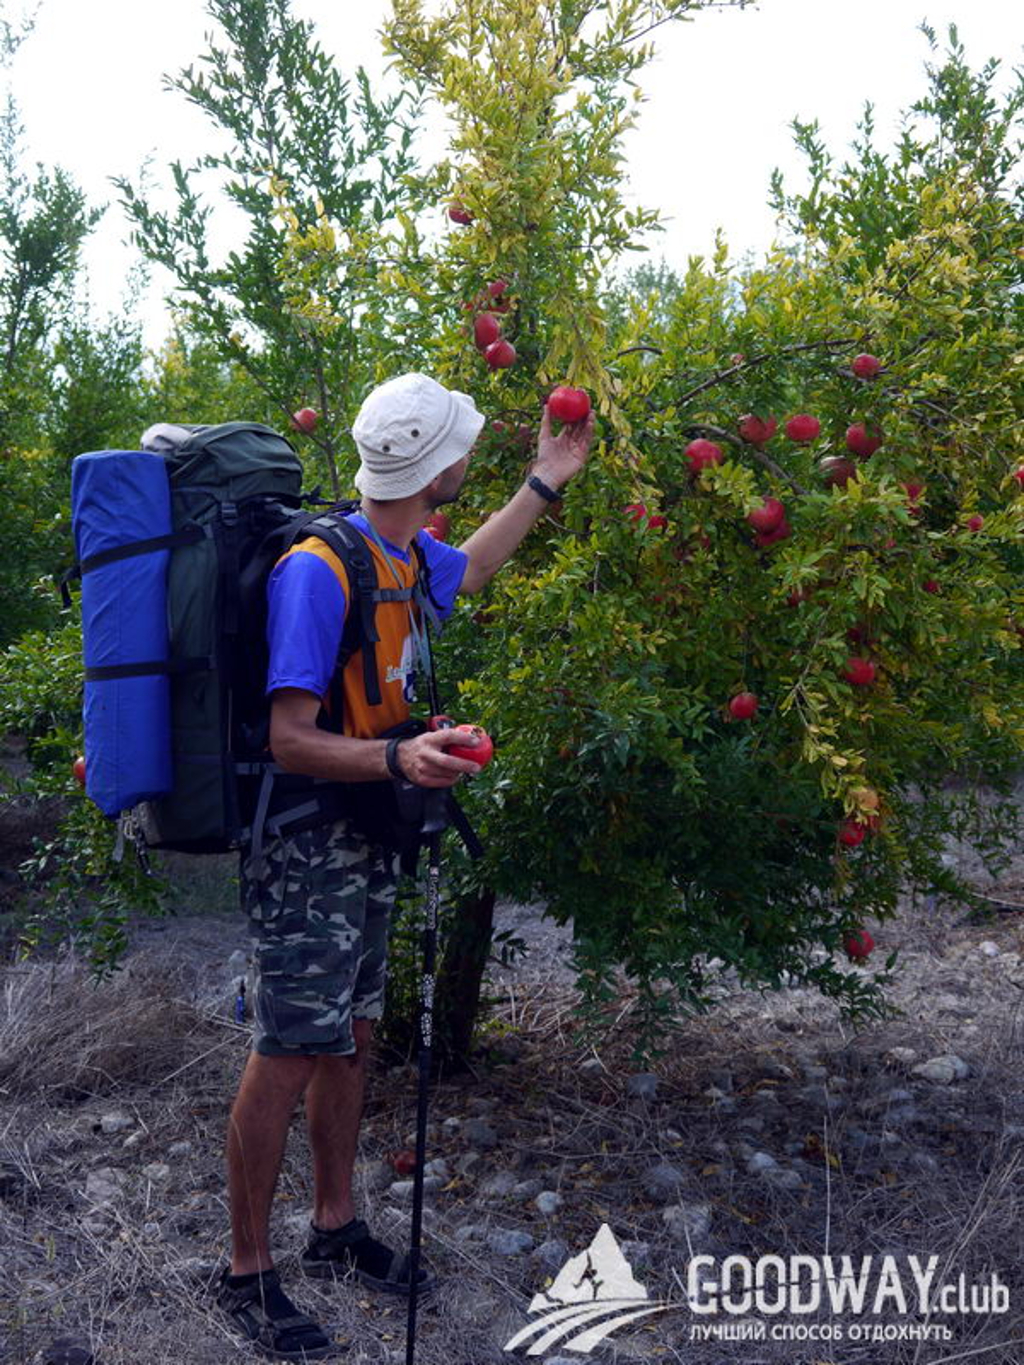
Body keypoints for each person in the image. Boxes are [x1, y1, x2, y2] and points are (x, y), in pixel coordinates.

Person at [216, 372, 595, 1359]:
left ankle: (336, 1226)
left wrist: (545, 483)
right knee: (289, 1047)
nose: (471, 459)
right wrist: (397, 756)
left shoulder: (403, 551)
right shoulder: (318, 569)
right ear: (437, 465)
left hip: (371, 827)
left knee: (349, 1035)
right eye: (464, 449)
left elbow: (465, 572)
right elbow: (290, 736)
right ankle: (245, 1272)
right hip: (305, 839)